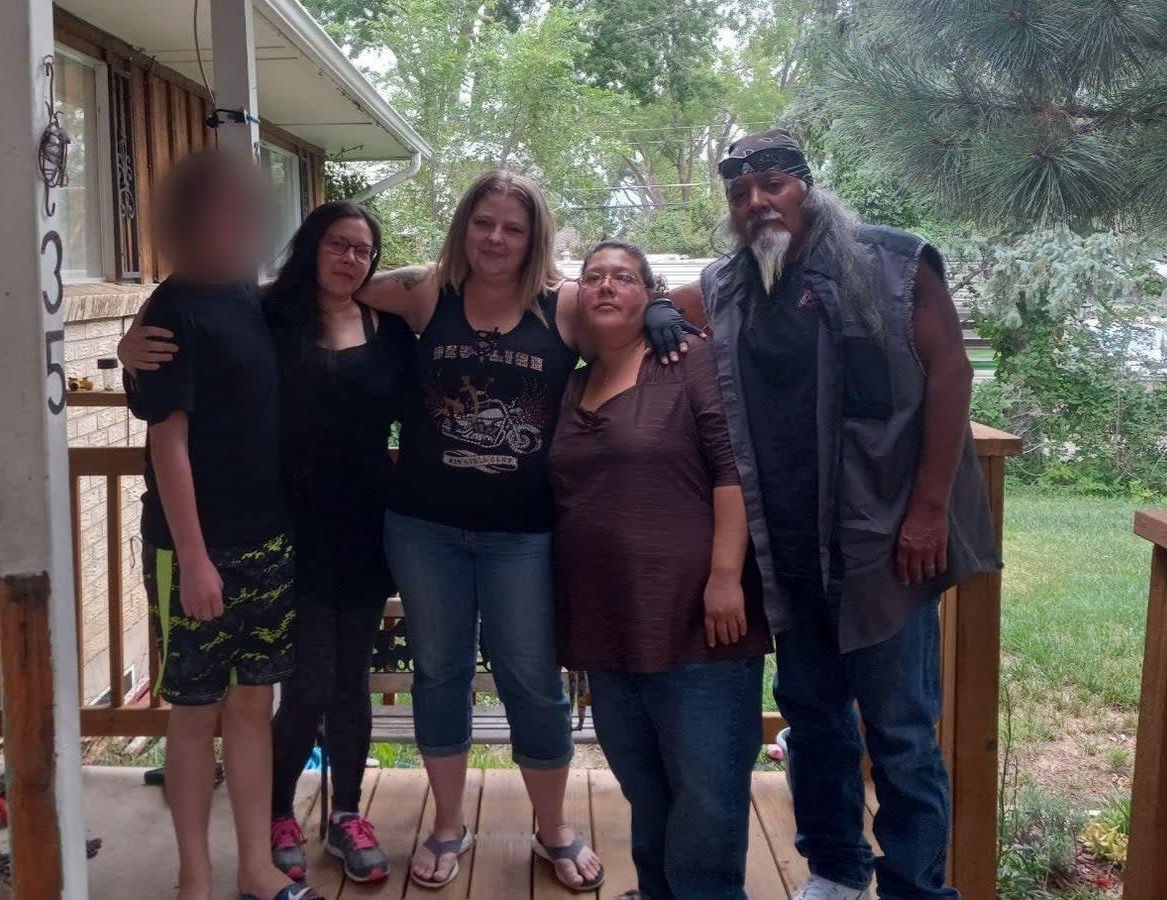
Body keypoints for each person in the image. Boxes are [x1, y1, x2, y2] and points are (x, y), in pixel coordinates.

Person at [647, 130, 1000, 900]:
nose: (756, 203)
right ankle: (836, 869)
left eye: (772, 185)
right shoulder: (730, 282)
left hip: (883, 540)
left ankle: (915, 887)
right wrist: (652, 307)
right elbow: (657, 298)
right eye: (740, 194)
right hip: (789, 553)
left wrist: (929, 509)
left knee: (902, 736)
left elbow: (950, 373)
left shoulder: (895, 261)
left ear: (808, 188)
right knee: (812, 720)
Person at [121, 201, 417, 885]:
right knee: (303, 682)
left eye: (362, 250)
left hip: (362, 529)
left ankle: (345, 814)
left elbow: (434, 302)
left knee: (345, 681)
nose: (349, 259)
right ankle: (278, 817)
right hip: (287, 528)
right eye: (336, 245)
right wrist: (130, 348)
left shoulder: (391, 330)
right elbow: (188, 340)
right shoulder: (272, 315)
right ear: (309, 248)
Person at [342, 170, 606, 892]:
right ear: (465, 225)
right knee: (441, 672)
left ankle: (553, 828)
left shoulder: (568, 307)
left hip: (523, 532)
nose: (495, 238)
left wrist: (671, 322)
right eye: (483, 222)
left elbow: (646, 316)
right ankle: (448, 823)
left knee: (530, 677)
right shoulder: (428, 292)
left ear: (534, 236)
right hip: (424, 526)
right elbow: (334, 281)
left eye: (511, 227)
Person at [548, 241, 772, 900]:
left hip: (700, 620)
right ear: (578, 297)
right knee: (646, 789)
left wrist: (726, 576)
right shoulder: (572, 382)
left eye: (624, 276)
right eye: (593, 277)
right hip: (610, 625)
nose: (607, 286)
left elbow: (734, 470)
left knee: (707, 795)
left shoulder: (687, 360)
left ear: (649, 294)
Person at [127, 150, 321, 900]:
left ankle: (255, 869)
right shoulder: (170, 310)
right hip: (192, 552)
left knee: (251, 707)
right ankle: (195, 878)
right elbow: (165, 438)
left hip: (269, 542)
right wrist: (198, 559)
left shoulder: (246, 292)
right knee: (193, 712)